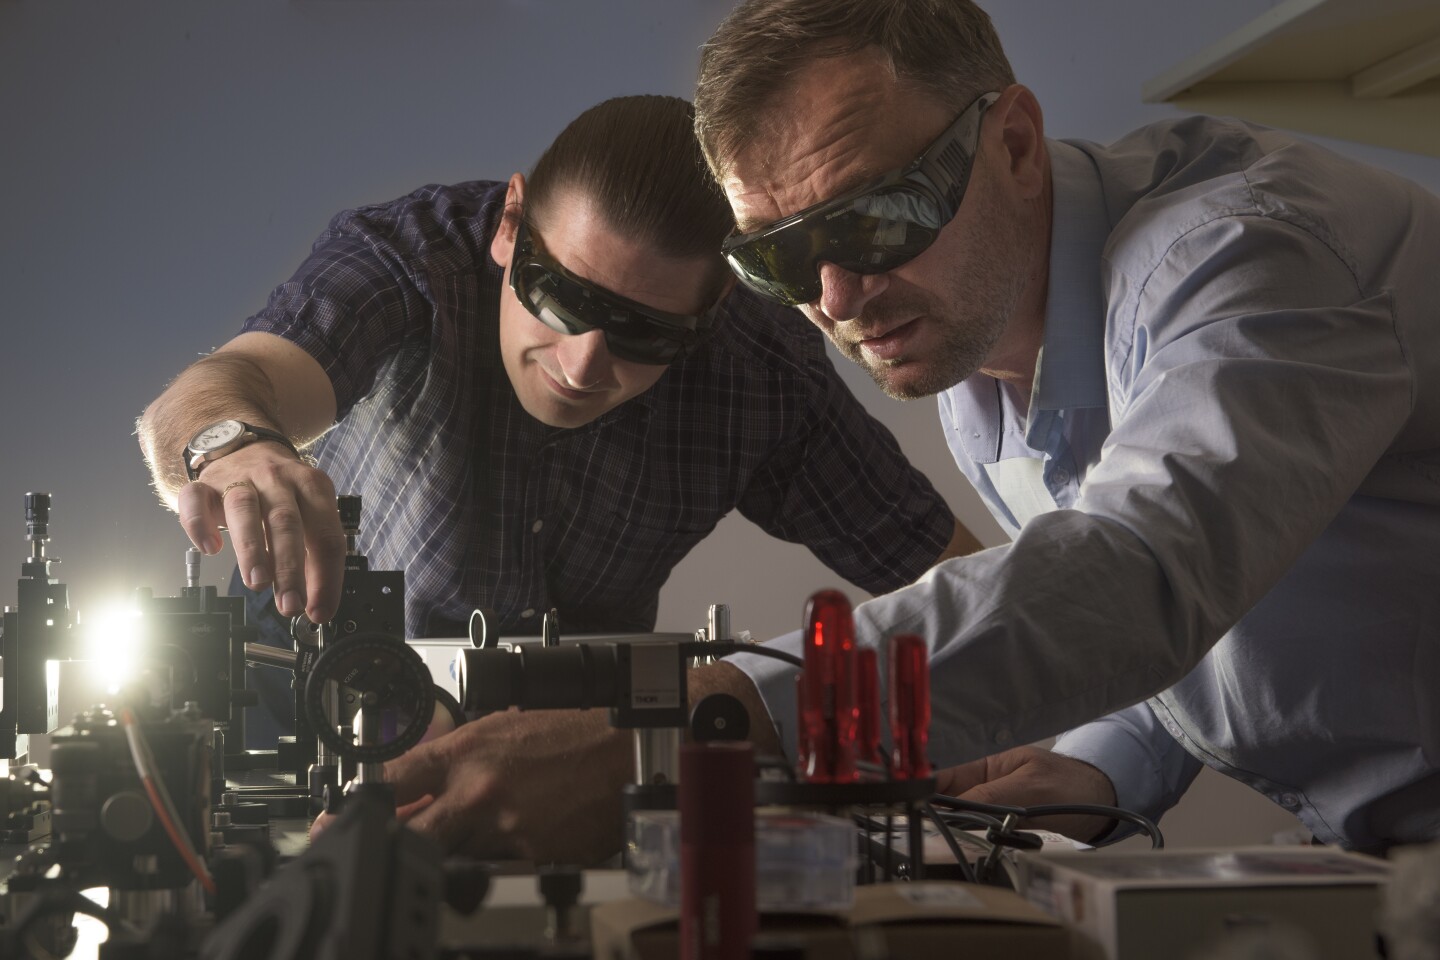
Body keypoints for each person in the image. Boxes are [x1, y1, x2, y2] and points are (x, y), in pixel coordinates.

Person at [688, 0, 1440, 853]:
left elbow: (1143, 570)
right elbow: (1214, 590)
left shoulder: (1253, 257)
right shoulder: (974, 347)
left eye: (874, 218)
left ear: (1012, 143)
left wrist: (737, 714)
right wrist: (1098, 771)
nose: (834, 300)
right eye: (777, 256)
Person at [137, 95, 977, 748]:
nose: (582, 365)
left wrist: (1051, 731)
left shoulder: (764, 372)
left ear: (717, 304)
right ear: (510, 225)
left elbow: (963, 587)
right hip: (296, 712)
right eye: (562, 298)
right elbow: (223, 386)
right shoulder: (413, 257)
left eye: (643, 333)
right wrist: (234, 444)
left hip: (567, 760)